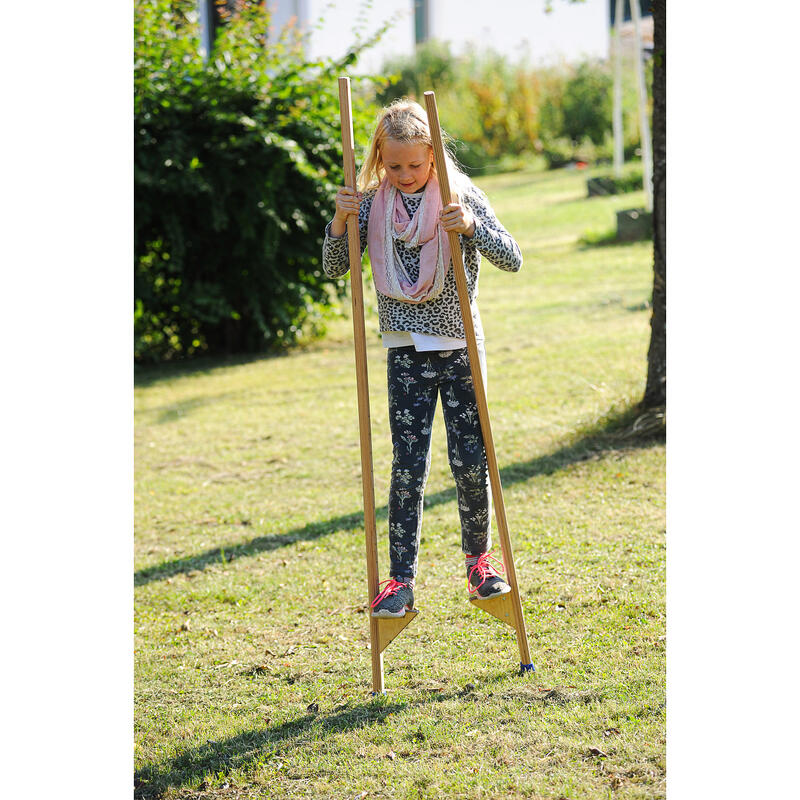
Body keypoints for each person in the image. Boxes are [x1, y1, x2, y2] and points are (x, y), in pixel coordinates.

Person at [322, 99, 522, 618]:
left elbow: (513, 258)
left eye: (415, 164)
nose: (405, 175)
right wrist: (341, 220)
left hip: (460, 351)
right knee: (407, 468)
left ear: (433, 156)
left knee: (471, 463)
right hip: (405, 350)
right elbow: (334, 267)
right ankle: (400, 581)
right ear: (378, 161)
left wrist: (472, 227)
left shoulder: (460, 195)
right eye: (394, 166)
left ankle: (480, 565)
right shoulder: (368, 204)